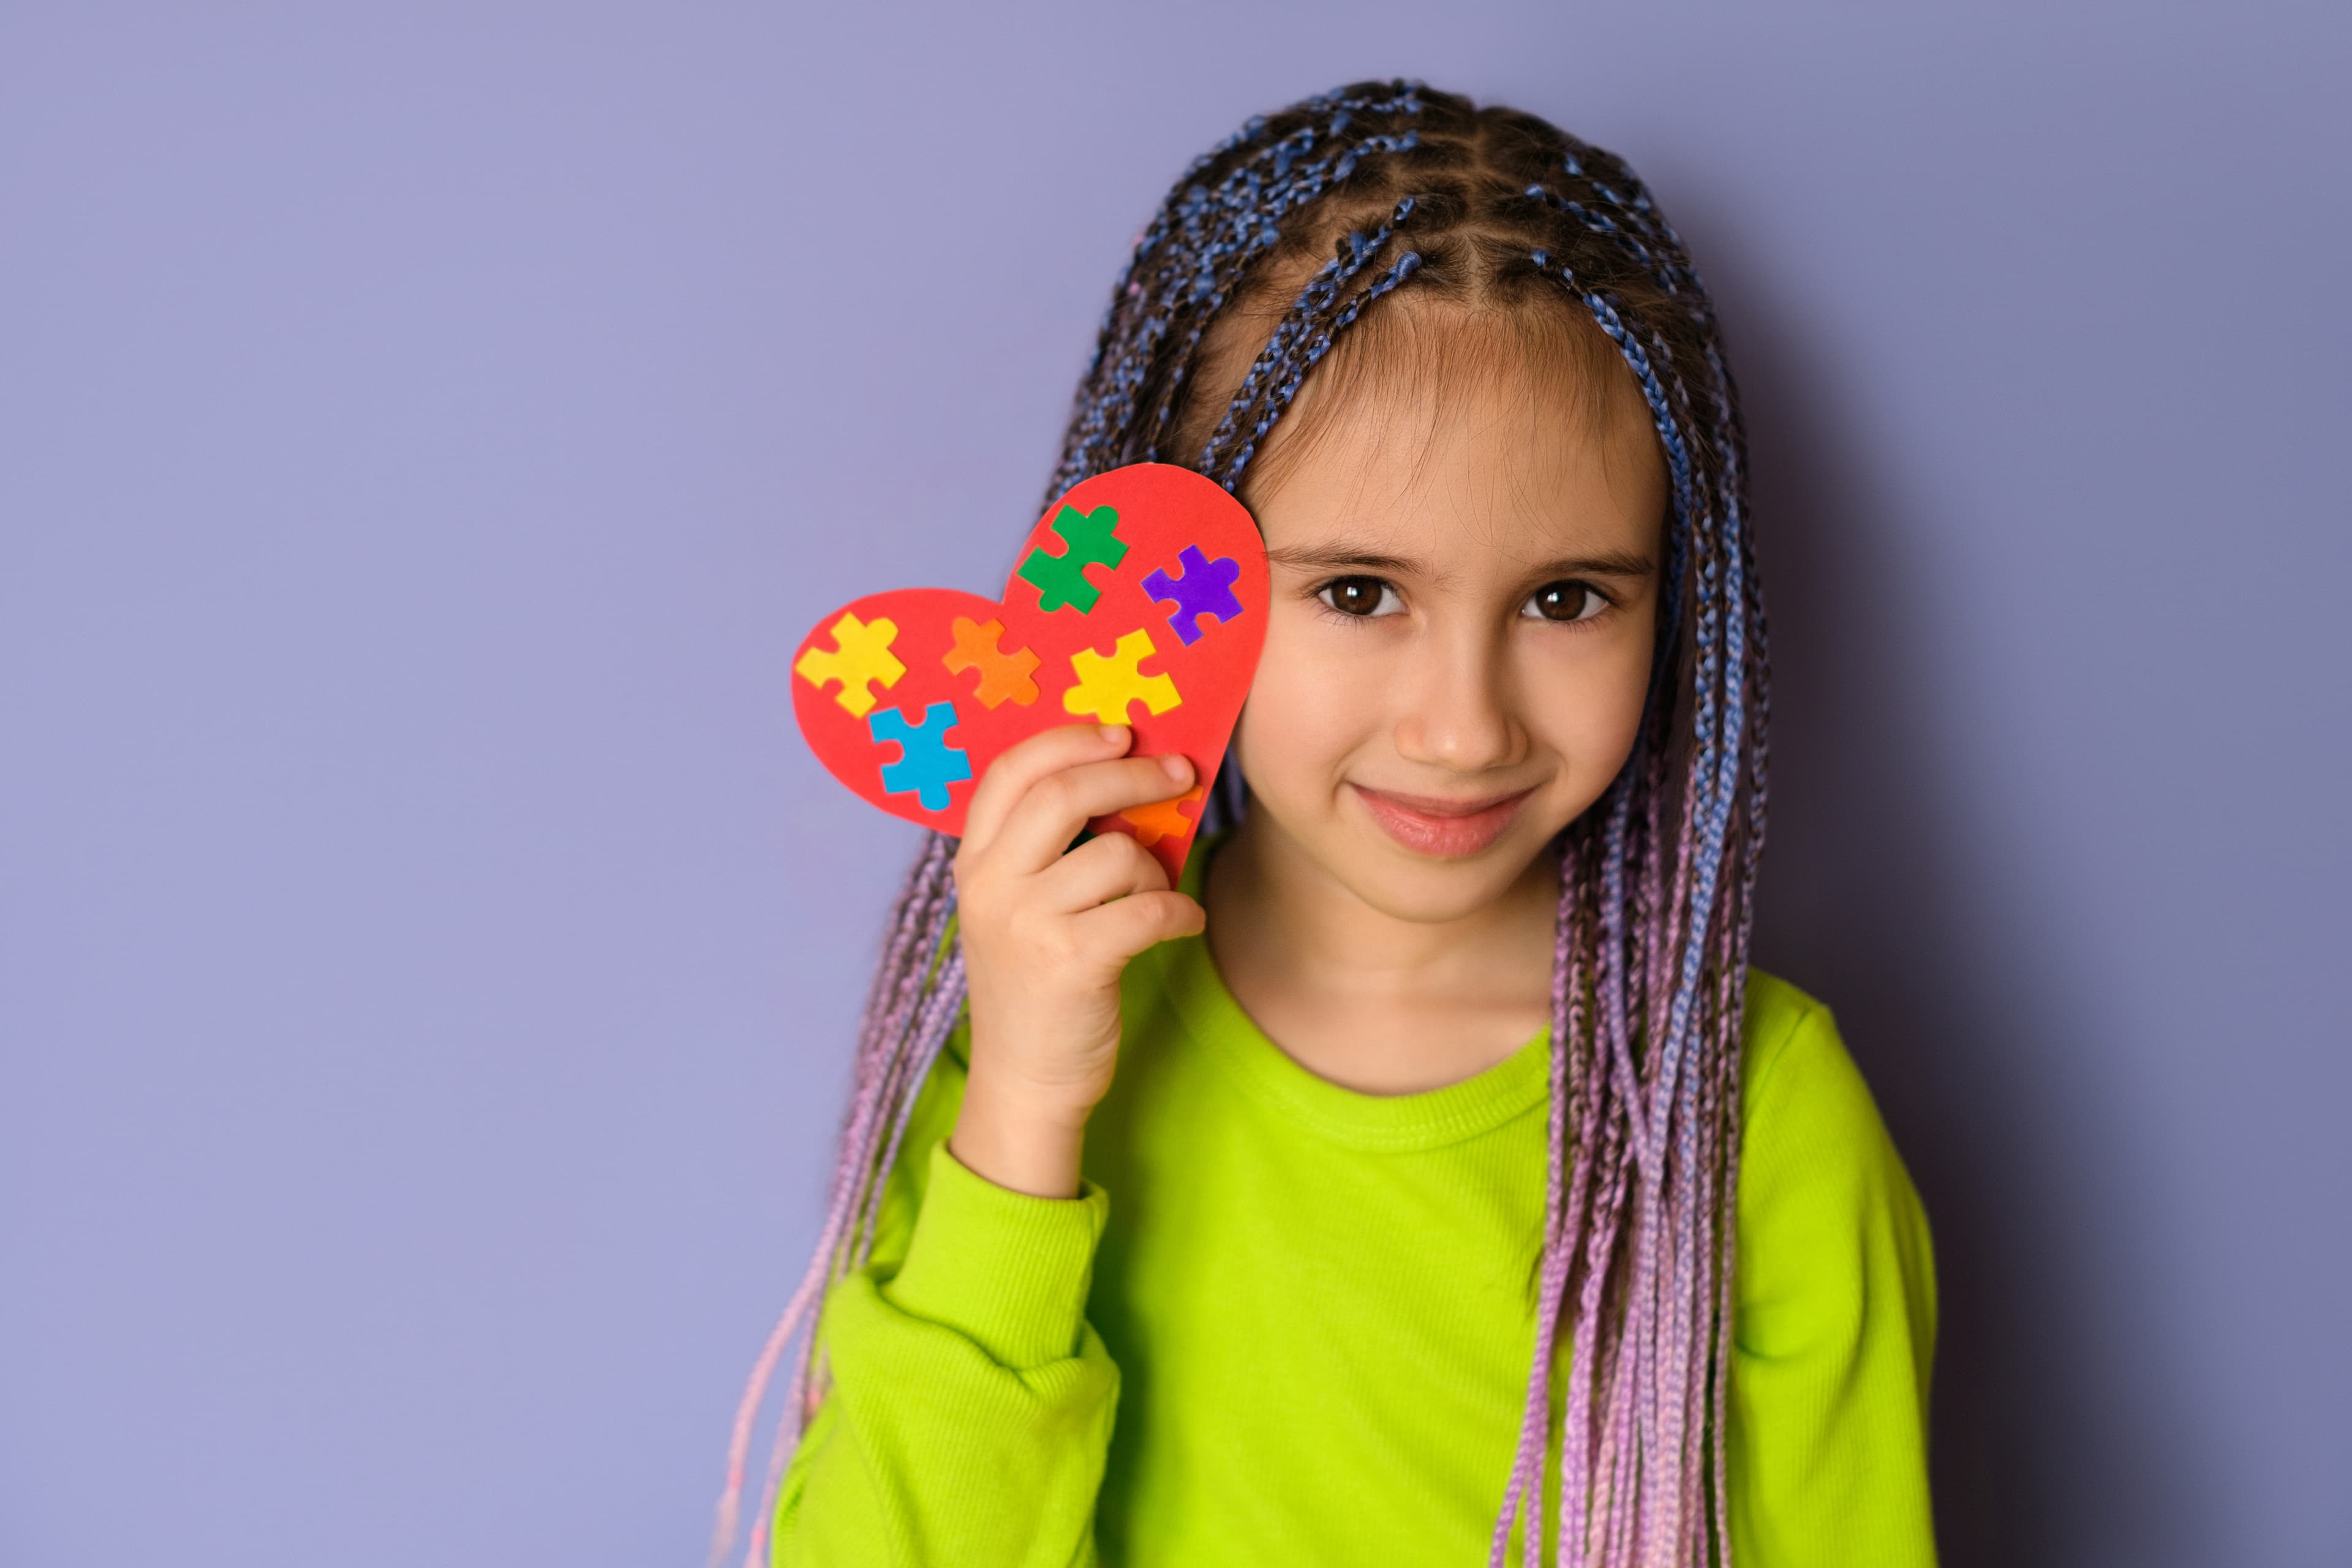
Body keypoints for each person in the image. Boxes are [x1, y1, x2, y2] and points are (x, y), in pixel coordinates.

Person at [712, 80, 1937, 1567]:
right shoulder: (1031, 1037)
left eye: (1567, 598)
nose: (1463, 728)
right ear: (1167, 598)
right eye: (1360, 592)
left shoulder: (1756, 1119)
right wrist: (1026, 1111)